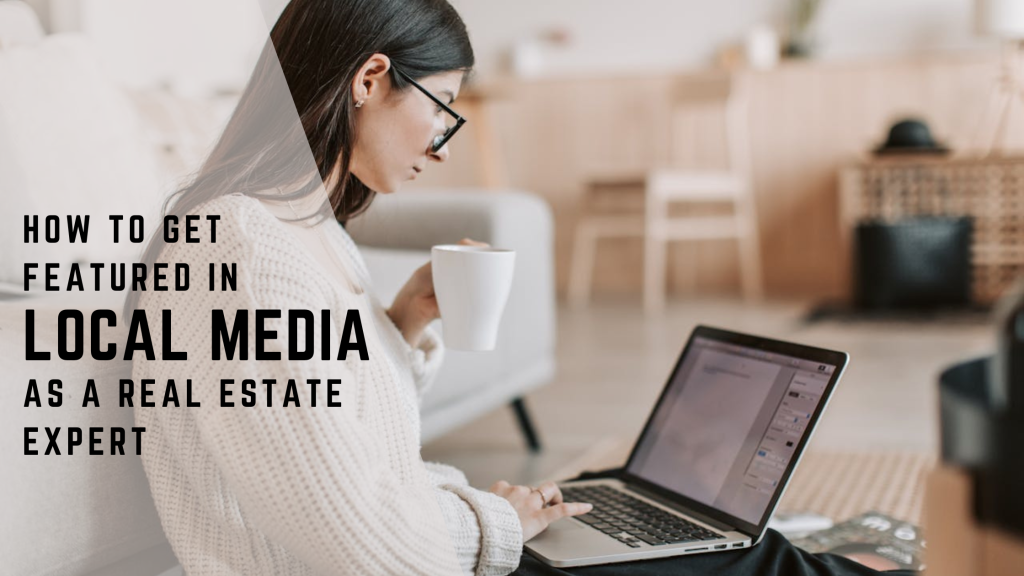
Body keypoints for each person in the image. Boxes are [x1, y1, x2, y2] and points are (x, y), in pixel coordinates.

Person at [129, 1, 916, 575]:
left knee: (710, 543)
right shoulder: (239, 249)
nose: (442, 146)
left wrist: (399, 328)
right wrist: (495, 520)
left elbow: (350, 448)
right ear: (372, 77)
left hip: (425, 550)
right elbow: (363, 544)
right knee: (738, 561)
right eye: (442, 108)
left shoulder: (303, 234)